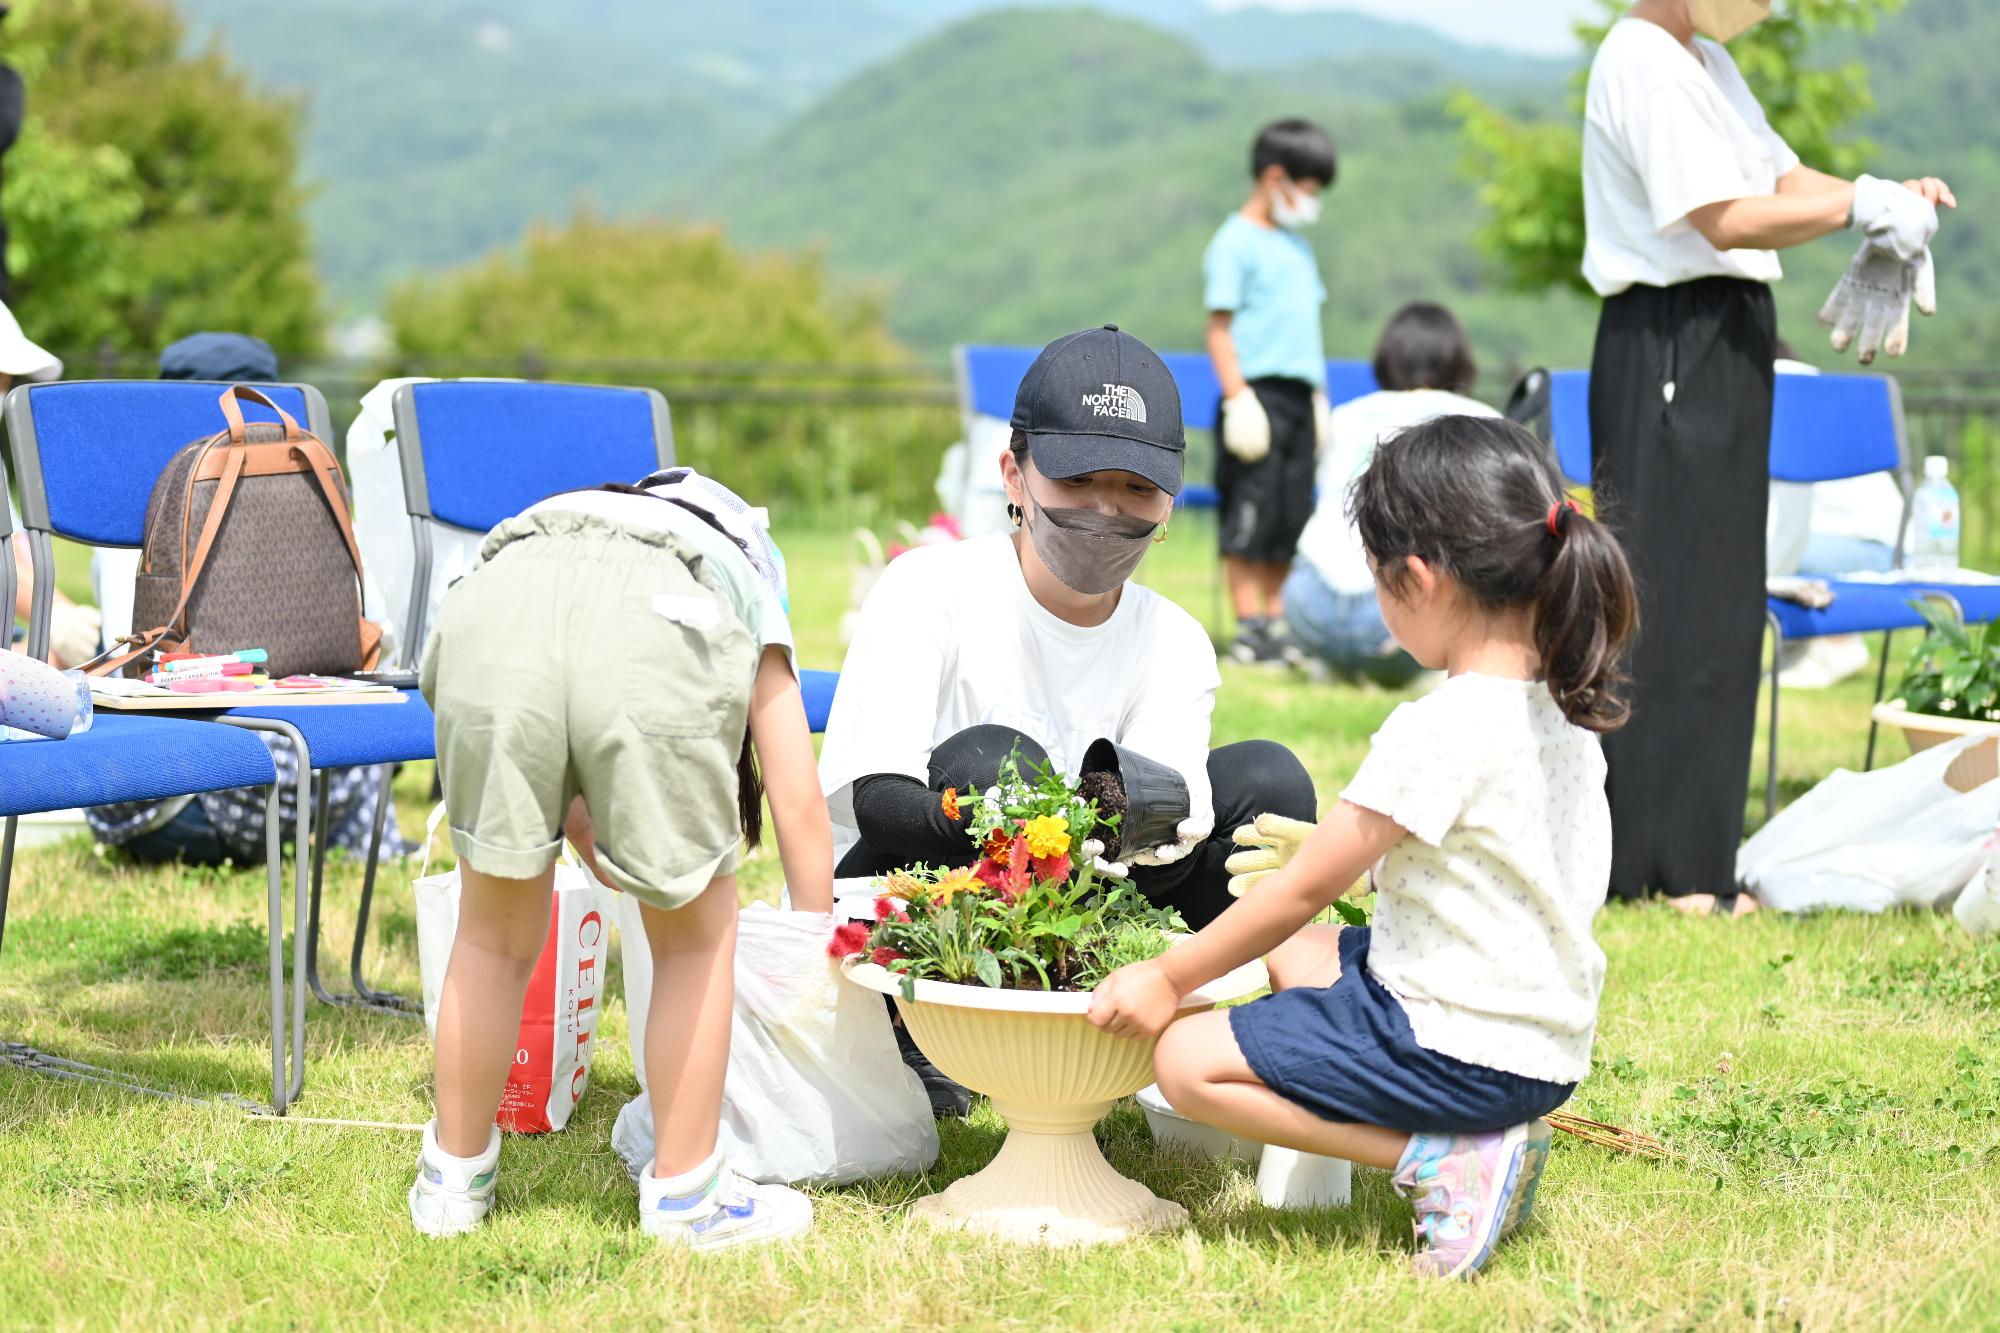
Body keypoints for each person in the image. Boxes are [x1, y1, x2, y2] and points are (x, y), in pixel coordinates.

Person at [1089, 415, 1638, 1281]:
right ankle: (1457, 1141)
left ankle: (1438, 1158)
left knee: (1187, 1061)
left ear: (1418, 579)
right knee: (1303, 960)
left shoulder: (1439, 726)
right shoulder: (1566, 707)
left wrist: (1166, 977)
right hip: (1544, 1043)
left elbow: (1299, 891)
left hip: (1460, 1048)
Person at [1579, 0, 1954, 912]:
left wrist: (1883, 201)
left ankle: (1702, 858)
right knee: (1662, 596)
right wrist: (1860, 205)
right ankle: (1651, 866)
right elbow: (1722, 217)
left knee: (1719, 599)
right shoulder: (1641, 58)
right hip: (1670, 334)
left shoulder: (1706, 62)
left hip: (1729, 335)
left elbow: (1782, 178)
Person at [410, 466, 829, 1250]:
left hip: (490, 610)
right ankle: (688, 1195)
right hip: (656, 620)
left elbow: (557, 714)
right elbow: (797, 799)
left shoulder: (571, 513)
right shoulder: (743, 558)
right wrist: (819, 949)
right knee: (696, 938)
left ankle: (451, 1182)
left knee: (492, 934)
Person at [85, 332, 406, 867]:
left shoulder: (143, 493)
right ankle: (349, 840)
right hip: (270, 788)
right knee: (357, 711)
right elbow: (379, 634)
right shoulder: (297, 466)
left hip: (148, 797)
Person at [1284, 301, 1498, 686]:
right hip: (1392, 616)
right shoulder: (1477, 419)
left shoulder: (1346, 415)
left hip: (1307, 605)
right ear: (1457, 358)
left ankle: (1334, 661)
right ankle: (1426, 666)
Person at [1204, 118, 1337, 667]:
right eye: (1307, 190)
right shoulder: (1234, 242)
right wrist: (1237, 398)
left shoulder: (1299, 250)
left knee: (1288, 511)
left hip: (1299, 395)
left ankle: (1279, 621)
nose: (1310, 203)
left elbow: (1306, 328)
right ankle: (1249, 625)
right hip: (1254, 396)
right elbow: (1219, 329)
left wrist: (1318, 397)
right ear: (1276, 177)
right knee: (1249, 510)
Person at [1765, 344, 1902, 688]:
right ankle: (1803, 646)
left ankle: (1837, 644)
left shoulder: (1785, 392)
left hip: (1874, 548)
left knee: (1761, 554)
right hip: (1883, 540)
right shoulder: (1815, 391)